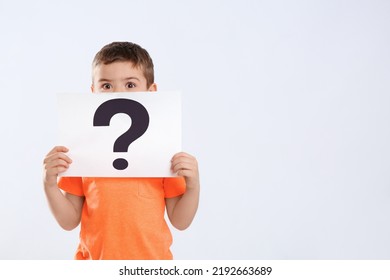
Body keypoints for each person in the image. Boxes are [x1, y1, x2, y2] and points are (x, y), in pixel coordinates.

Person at [43, 42, 200, 260]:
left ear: (150, 91)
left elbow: (180, 221)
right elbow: (69, 221)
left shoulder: (162, 152)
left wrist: (193, 185)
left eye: (130, 85)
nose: (118, 94)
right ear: (93, 93)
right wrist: (49, 184)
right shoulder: (82, 152)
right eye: (106, 86)